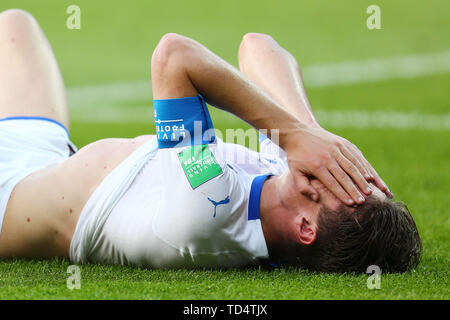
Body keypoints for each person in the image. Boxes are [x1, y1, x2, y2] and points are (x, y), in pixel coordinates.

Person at [0, 9, 421, 273]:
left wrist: (296, 136)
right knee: (15, 24)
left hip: (7, 197)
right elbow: (258, 48)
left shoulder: (209, 210)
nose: (341, 169)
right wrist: (312, 133)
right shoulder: (287, 180)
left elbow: (173, 56)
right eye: (362, 178)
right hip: (42, 154)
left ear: (306, 228)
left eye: (349, 187)